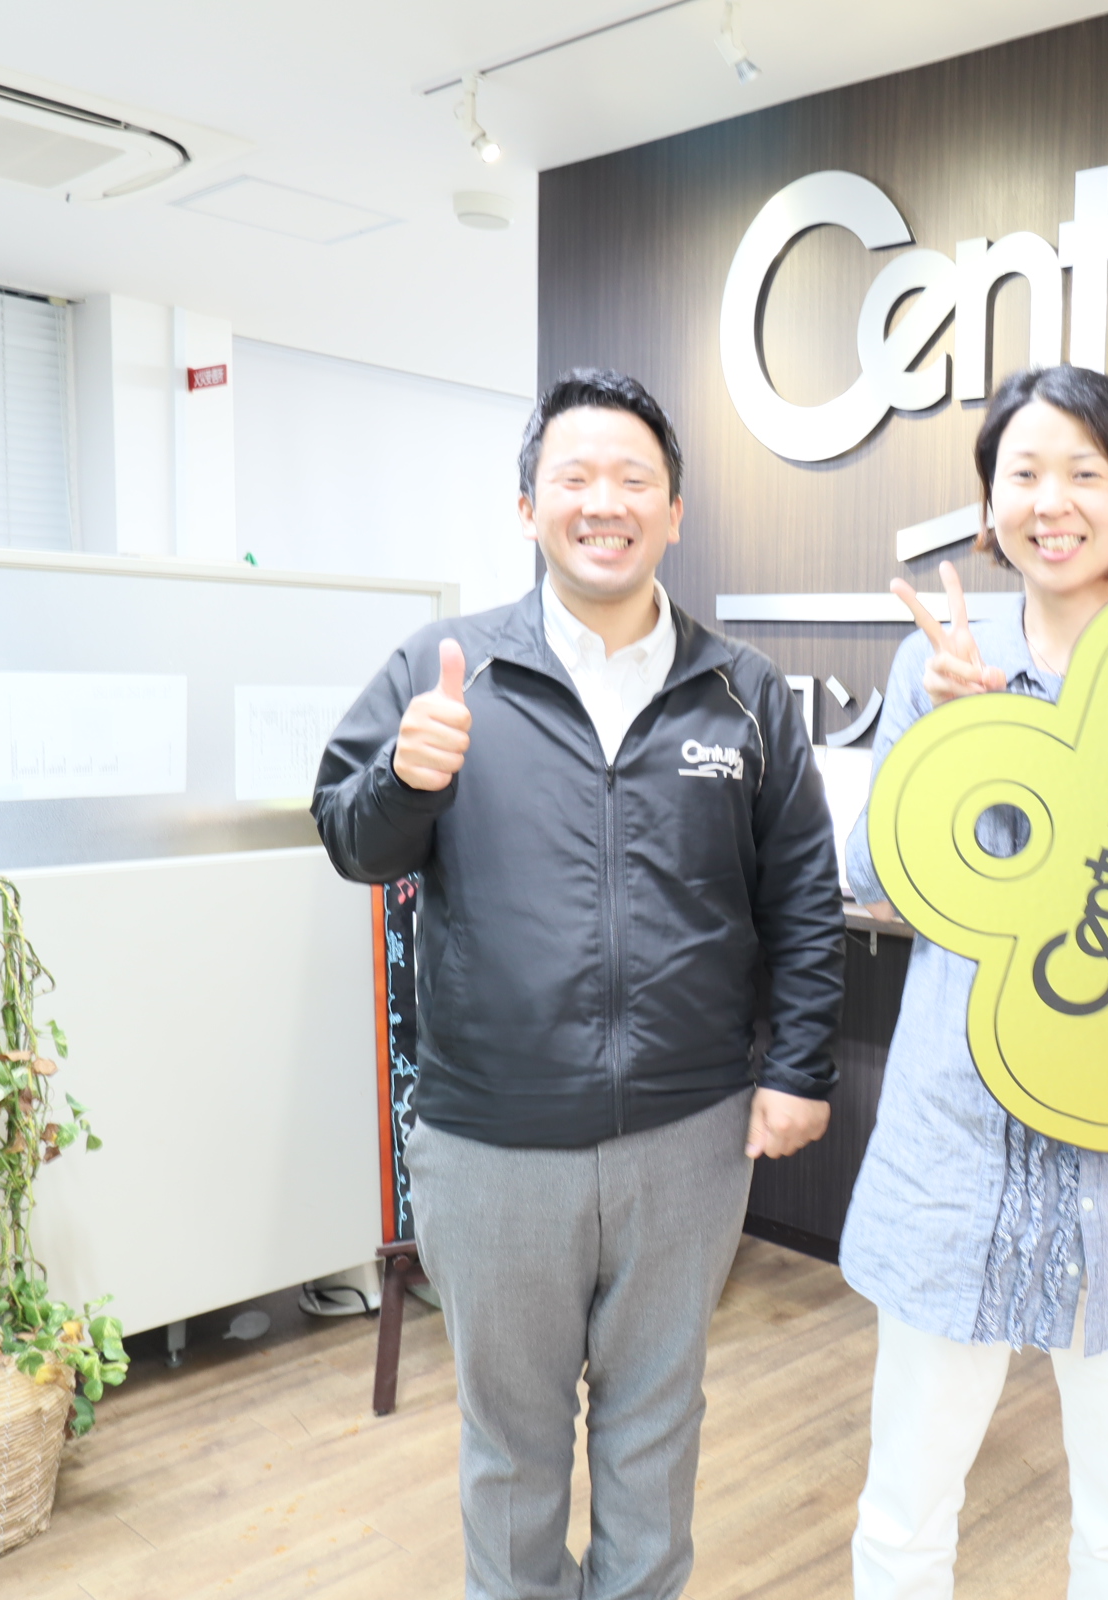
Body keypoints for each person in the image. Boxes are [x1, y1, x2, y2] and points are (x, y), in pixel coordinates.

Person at [312, 368, 844, 1600]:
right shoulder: (444, 669)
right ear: (528, 506)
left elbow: (802, 895)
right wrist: (404, 778)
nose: (605, 501)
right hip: (492, 1136)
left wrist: (799, 1069)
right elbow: (351, 840)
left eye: (634, 479)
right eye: (576, 477)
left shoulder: (742, 692)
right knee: (511, 1447)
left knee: (658, 1428)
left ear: (674, 511)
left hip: (687, 1131)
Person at [840, 365, 1108, 1600]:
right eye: (1022, 473)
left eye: (1084, 470)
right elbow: (868, 873)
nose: (1051, 500)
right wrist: (939, 728)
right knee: (907, 1508)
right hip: (954, 1150)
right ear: (990, 505)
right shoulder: (940, 665)